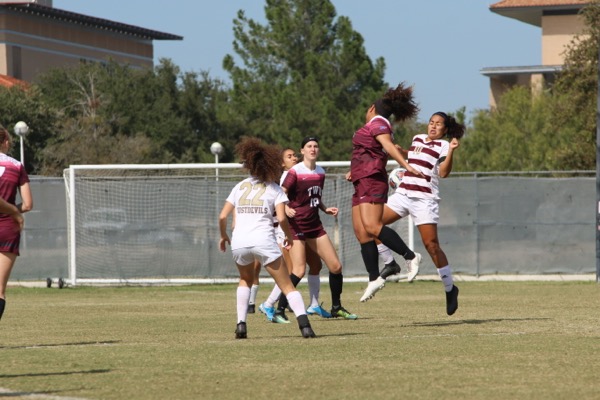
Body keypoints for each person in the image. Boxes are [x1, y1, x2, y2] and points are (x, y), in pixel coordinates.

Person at [218, 137, 316, 339]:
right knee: (287, 285)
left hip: (239, 242)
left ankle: (241, 325)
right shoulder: (274, 188)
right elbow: (281, 218)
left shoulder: (239, 187)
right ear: (271, 165)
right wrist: (288, 236)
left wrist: (223, 236)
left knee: (245, 280)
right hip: (263, 240)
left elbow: (222, 215)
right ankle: (305, 326)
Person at [379, 111, 465, 315]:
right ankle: (393, 262)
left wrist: (452, 150)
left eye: (438, 124)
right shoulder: (417, 138)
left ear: (445, 130)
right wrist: (403, 151)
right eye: (431, 122)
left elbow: (443, 172)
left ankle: (450, 289)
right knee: (371, 224)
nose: (433, 126)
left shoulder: (444, 145)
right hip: (403, 194)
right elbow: (415, 155)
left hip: (424, 200)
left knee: (431, 246)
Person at [349, 83, 424, 303]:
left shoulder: (378, 122)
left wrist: (406, 165)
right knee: (362, 232)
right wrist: (352, 171)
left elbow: (389, 146)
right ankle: (375, 277)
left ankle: (410, 256)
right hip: (361, 179)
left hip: (372, 180)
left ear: (372, 108)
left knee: (372, 226)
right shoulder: (374, 125)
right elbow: (370, 152)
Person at [269, 136, 357, 320]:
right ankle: (279, 309)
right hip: (297, 225)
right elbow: (280, 194)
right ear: (302, 151)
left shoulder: (320, 172)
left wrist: (325, 208)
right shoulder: (294, 172)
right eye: (309, 146)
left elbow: (314, 197)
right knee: (299, 270)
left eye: (316, 146)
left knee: (336, 266)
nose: (313, 149)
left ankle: (336, 307)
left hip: (315, 225)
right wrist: (285, 208)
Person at [260, 148, 333, 323]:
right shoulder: (287, 177)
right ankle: (269, 304)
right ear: (281, 163)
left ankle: (314, 304)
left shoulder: (297, 172)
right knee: (293, 271)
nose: (294, 158)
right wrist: (285, 209)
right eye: (289, 156)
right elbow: (279, 202)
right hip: (287, 230)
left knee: (315, 265)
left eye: (294, 155)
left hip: (307, 227)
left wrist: (323, 208)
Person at [0, 126, 32, 321]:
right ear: (5, 142)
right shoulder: (17, 166)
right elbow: (28, 204)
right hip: (7, 229)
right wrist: (13, 210)